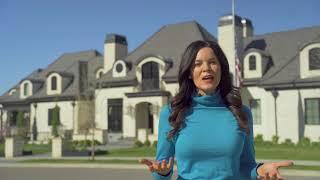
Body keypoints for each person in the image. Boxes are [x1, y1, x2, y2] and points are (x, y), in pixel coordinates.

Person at [140, 40, 293, 180]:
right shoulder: (172, 113)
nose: (206, 68)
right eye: (198, 64)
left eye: (212, 62)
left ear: (221, 69)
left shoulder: (241, 113)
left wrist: (260, 170)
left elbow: (246, 167)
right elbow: (161, 172)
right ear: (189, 73)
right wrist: (162, 172)